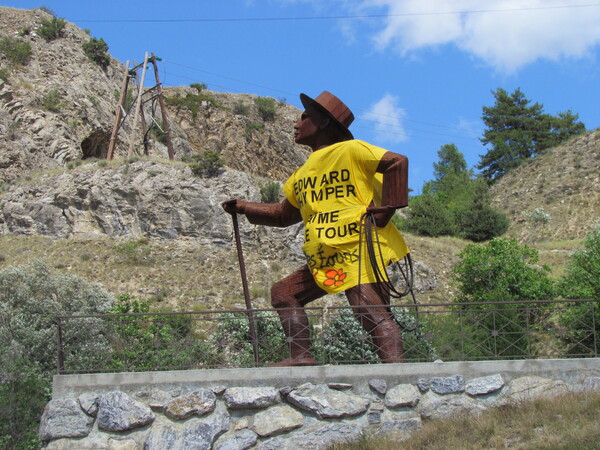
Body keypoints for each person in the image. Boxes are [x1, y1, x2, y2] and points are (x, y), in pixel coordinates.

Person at [222, 91, 410, 366]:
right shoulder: (302, 174)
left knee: (368, 310)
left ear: (323, 123)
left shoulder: (351, 150)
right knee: (284, 293)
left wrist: (384, 212)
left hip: (358, 247)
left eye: (304, 117)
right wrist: (243, 207)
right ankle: (301, 356)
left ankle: (399, 378)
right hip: (325, 255)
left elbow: (397, 162)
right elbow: (283, 215)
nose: (296, 124)